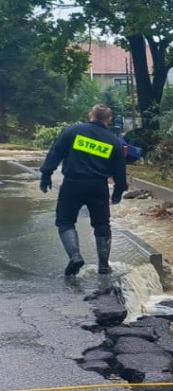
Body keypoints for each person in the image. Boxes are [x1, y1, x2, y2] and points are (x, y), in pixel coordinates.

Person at [39, 104, 128, 276]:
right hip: (98, 186)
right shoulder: (114, 141)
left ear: (90, 116)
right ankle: (103, 265)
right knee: (102, 224)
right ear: (108, 120)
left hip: (72, 184)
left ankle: (75, 256)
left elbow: (55, 153)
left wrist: (46, 175)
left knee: (65, 221)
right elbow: (120, 171)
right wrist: (118, 192)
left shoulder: (72, 131)